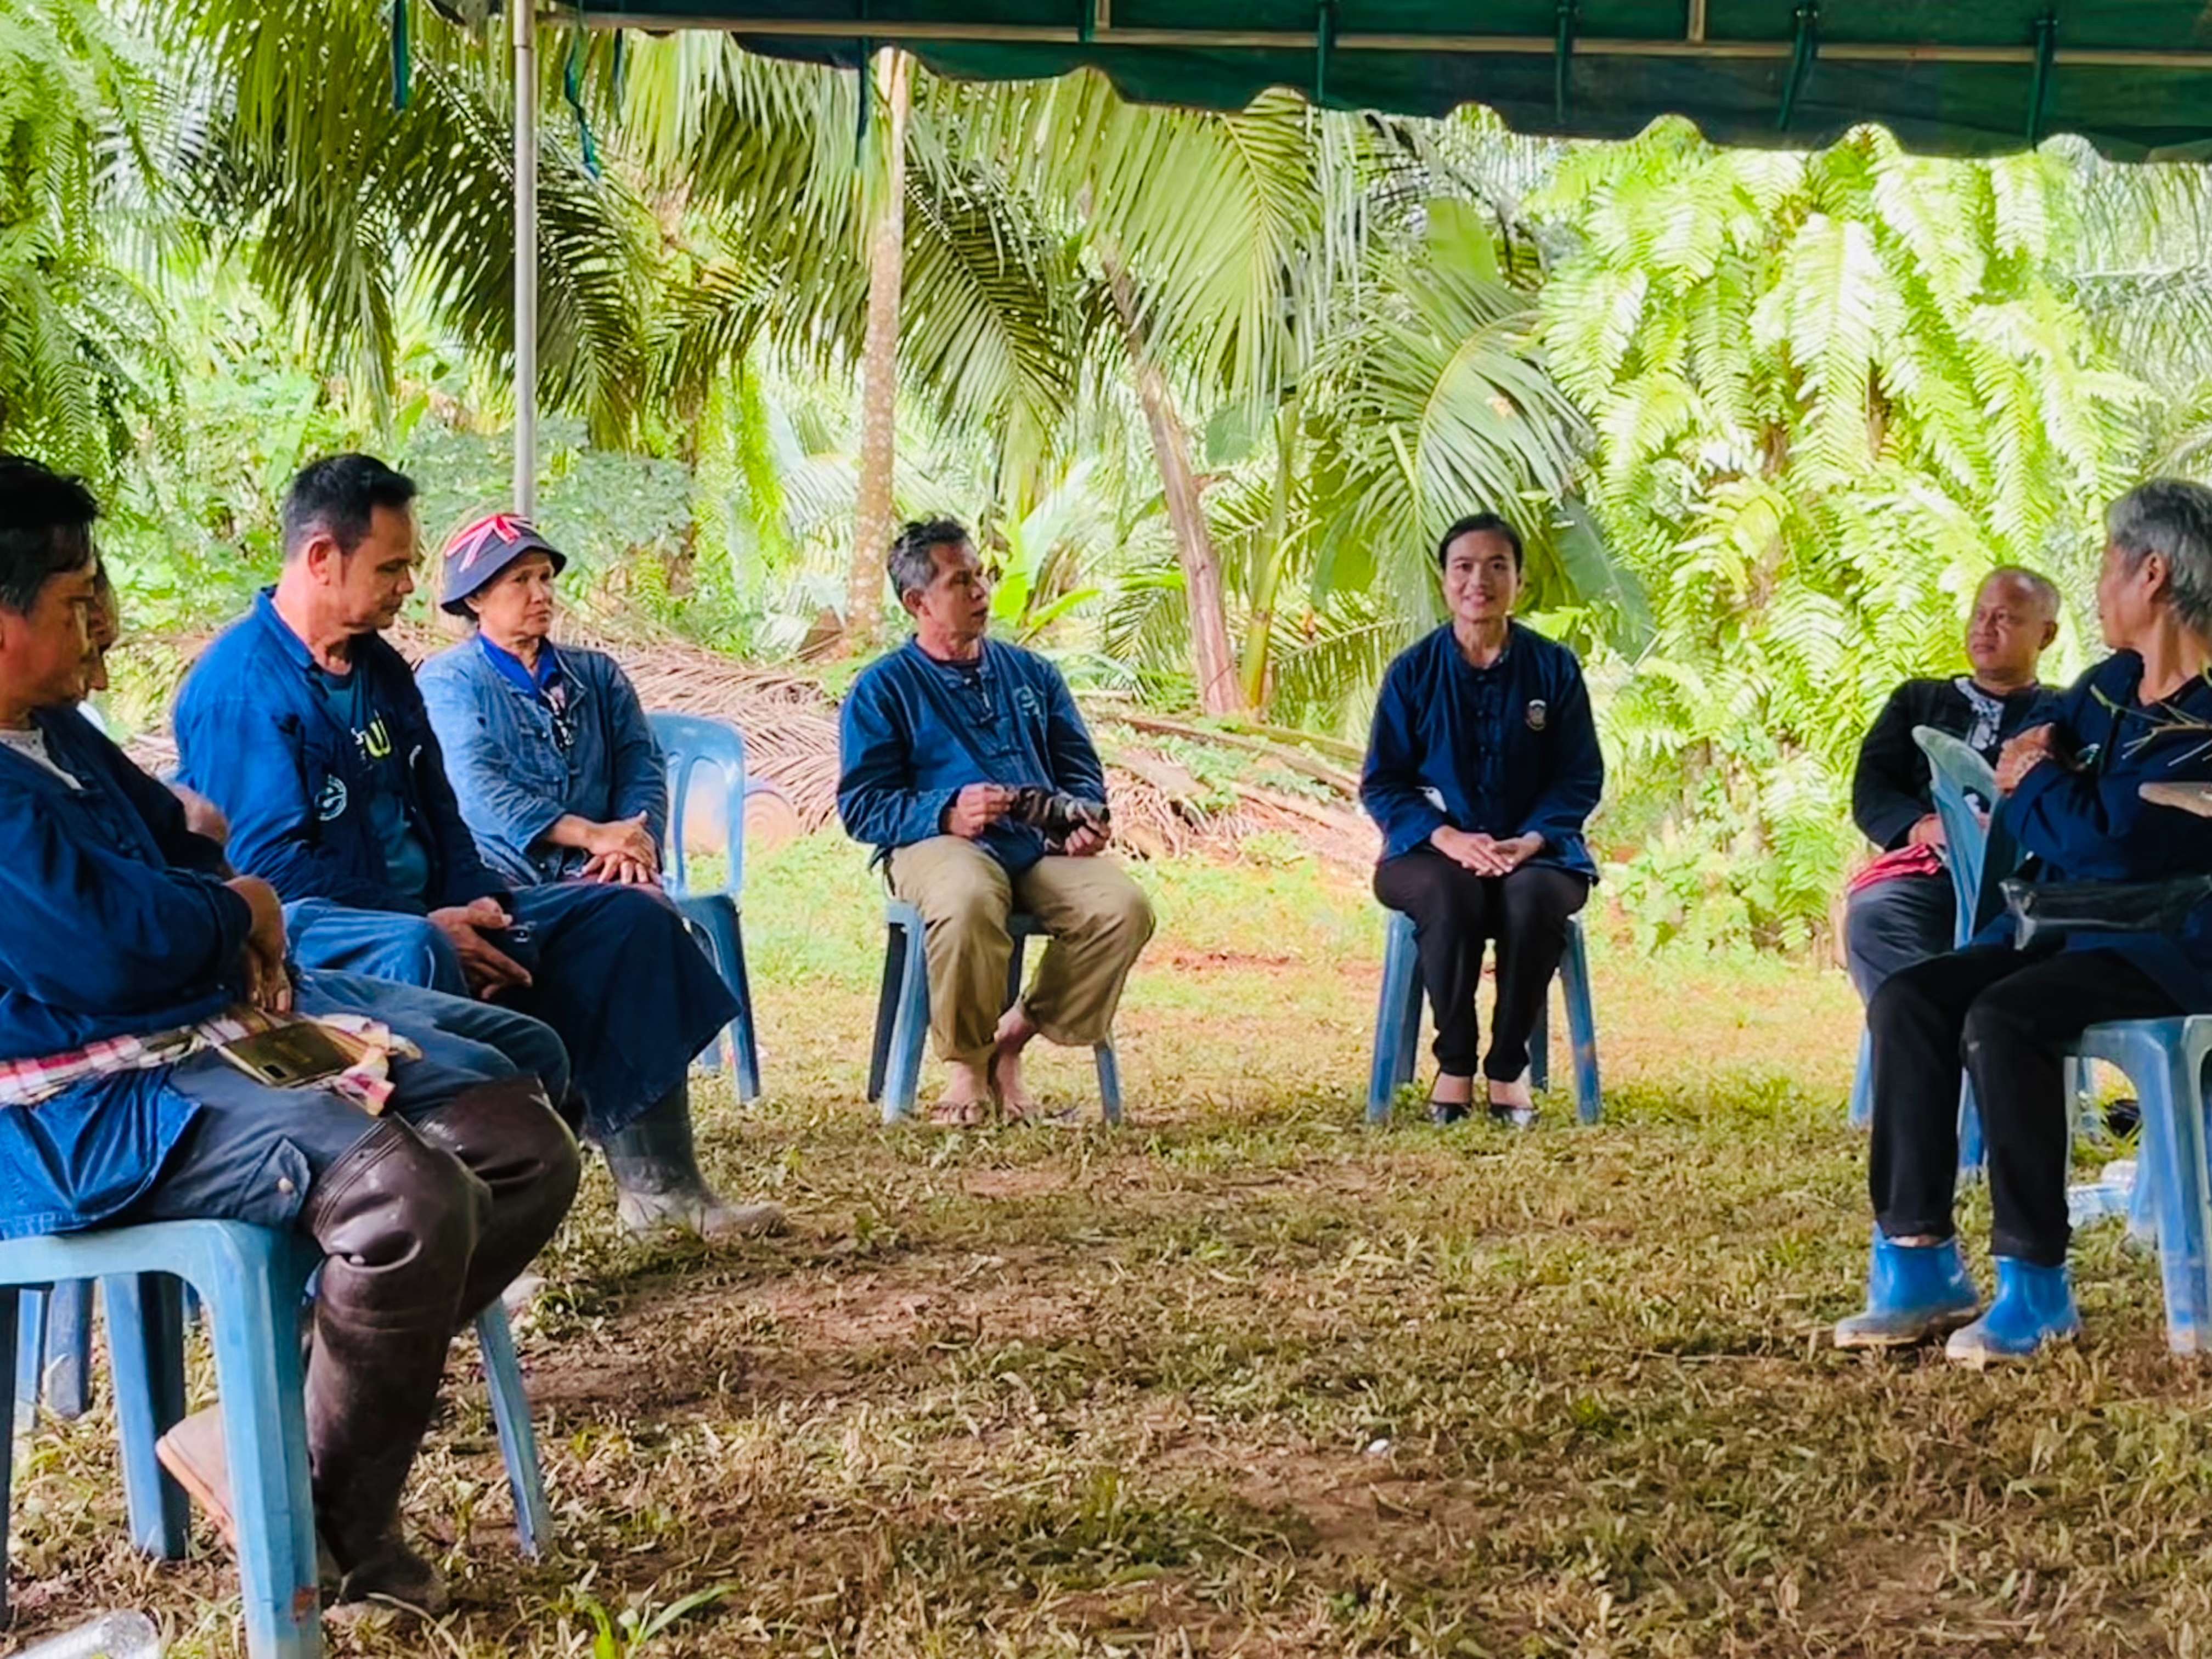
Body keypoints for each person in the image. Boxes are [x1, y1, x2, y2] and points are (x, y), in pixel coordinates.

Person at [0, 454, 582, 1615]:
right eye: (75, 603)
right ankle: (343, 1531)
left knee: (521, 1144)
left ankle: (287, 1461)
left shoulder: (56, 735)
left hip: (190, 1048)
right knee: (410, 1199)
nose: (101, 624)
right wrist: (242, 913)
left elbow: (183, 841)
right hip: (77, 1116)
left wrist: (220, 909)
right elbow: (118, 944)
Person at [172, 455, 780, 1240]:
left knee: (628, 921)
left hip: (435, 910)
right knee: (419, 948)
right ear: (322, 559)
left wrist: (476, 901)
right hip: (316, 939)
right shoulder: (239, 689)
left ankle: (662, 1190)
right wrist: (435, 921)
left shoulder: (382, 664)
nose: (407, 587)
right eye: (391, 568)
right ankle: (464, 1238)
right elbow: (274, 872)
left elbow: (442, 809)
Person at [1837, 480, 2212, 1365]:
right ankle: (1917, 1260)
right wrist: (2049, 771)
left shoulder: (2202, 722)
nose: (2098, 586)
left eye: (2108, 566)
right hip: (2069, 924)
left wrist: (2041, 781)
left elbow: (2114, 843)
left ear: (2150, 573)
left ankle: (2035, 1284)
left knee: (2004, 1015)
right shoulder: (2110, 684)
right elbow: (2052, 758)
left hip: (2170, 943)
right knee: (1910, 997)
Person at [837, 517, 1154, 1125]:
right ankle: (965, 1068)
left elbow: (1080, 770)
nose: (981, 591)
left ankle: (1013, 1036)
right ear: (917, 602)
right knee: (967, 896)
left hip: (1035, 847)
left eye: (980, 575)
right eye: (962, 582)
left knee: (1122, 908)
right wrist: (947, 812)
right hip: (934, 845)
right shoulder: (882, 690)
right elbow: (863, 806)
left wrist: (1083, 819)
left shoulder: (1034, 675)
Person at [1360, 513, 1604, 1127]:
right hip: (1429, 854)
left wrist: (1532, 838)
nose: (1480, 581)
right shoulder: (1412, 673)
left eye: (1498, 566)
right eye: (1464, 567)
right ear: (1445, 581)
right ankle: (1456, 1062)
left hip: (1539, 852)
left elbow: (1580, 776)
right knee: (1449, 893)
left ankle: (1506, 1067)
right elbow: (1382, 783)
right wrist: (1446, 838)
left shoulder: (1555, 670)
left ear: (1519, 581)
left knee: (1533, 900)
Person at [417, 513, 667, 888]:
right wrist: (592, 835)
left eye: (545, 577)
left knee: (645, 913)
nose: (541, 594)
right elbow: (474, 784)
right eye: (520, 580)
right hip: (494, 869)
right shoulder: (449, 681)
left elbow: (641, 767)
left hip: (597, 868)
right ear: (475, 598)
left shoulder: (599, 675)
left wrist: (629, 842)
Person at [1844, 567, 2060, 1001]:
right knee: (1873, 918)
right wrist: (1927, 828)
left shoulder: (2065, 713)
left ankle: (1962, 1042)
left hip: (2027, 887)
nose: (1985, 628)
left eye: (2005, 618)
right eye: (1980, 615)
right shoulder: (1917, 701)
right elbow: (1872, 789)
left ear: (2046, 634)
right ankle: (1939, 1039)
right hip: (1931, 878)